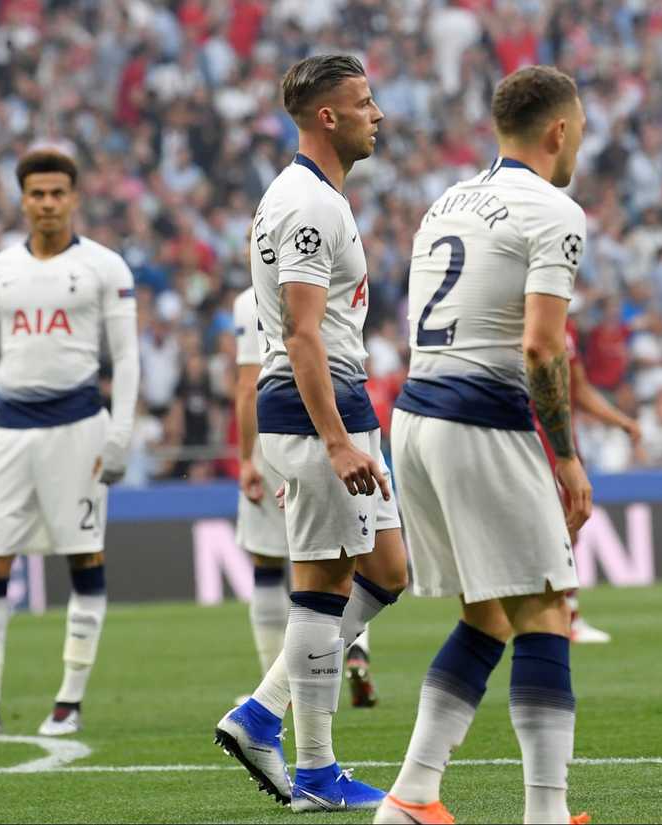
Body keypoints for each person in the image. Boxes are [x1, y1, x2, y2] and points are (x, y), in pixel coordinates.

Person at [376, 65, 593, 825]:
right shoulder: (554, 209)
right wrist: (564, 453)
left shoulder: (446, 200)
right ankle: (545, 811)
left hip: (416, 417)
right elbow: (541, 347)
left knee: (487, 614)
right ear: (560, 130)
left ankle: (412, 794)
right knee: (544, 609)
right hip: (480, 419)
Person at [212, 55, 409, 813]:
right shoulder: (305, 205)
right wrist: (334, 438)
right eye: (364, 103)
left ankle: (263, 710)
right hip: (313, 408)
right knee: (323, 587)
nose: (377, 114)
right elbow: (298, 333)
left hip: (338, 403)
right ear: (327, 117)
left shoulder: (312, 196)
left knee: (386, 571)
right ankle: (317, 769)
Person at [0, 148, 140, 740]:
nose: (48, 203)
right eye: (38, 193)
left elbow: (127, 355)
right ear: (23, 199)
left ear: (75, 197)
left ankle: (70, 701)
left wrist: (121, 433)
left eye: (58, 193)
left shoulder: (107, 268)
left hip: (79, 429)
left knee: (84, 556)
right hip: (9, 432)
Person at [232, 286, 379, 707]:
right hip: (342, 414)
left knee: (279, 563)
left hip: (285, 424)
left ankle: (272, 685)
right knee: (349, 556)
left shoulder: (249, 300)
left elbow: (246, 385)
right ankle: (357, 652)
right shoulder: (331, 286)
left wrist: (246, 458)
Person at [535, 316, 642, 645]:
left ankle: (566, 615)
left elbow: (578, 389)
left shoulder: (564, 326)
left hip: (562, 437)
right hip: (531, 435)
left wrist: (619, 420)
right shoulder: (527, 318)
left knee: (571, 522)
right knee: (552, 526)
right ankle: (557, 617)